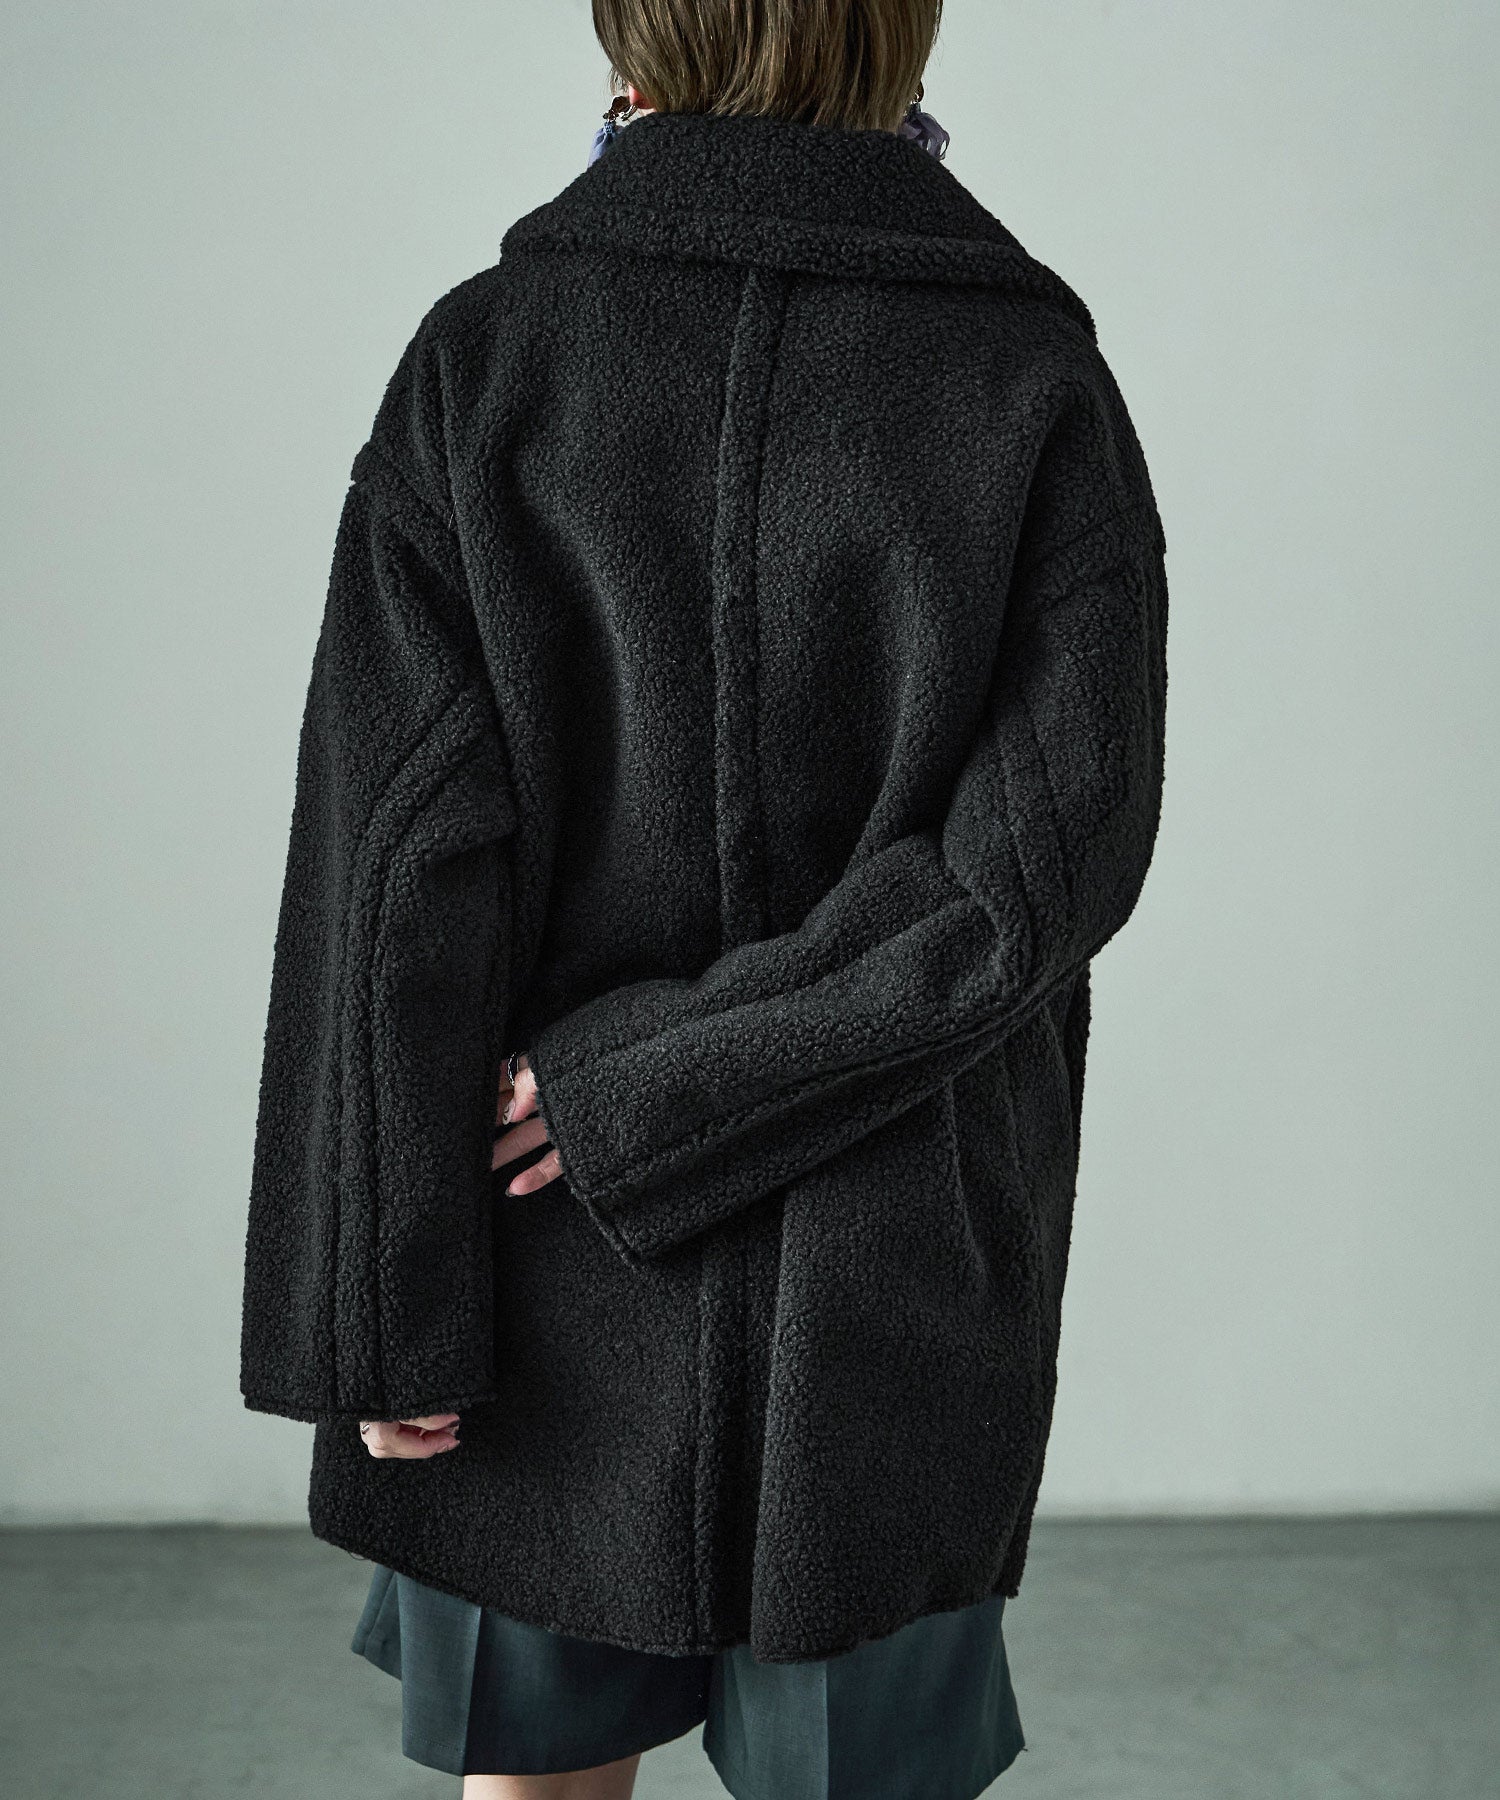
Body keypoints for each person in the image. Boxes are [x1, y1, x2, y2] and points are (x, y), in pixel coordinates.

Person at [239, 1, 1170, 1794]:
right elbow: (1037, 871)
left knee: (535, 1779)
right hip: (892, 1272)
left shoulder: (491, 356)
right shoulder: (1029, 378)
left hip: (526, 1249)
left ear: (633, 40)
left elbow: (390, 869)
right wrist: (673, 1090)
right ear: (903, 38)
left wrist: (383, 1299)